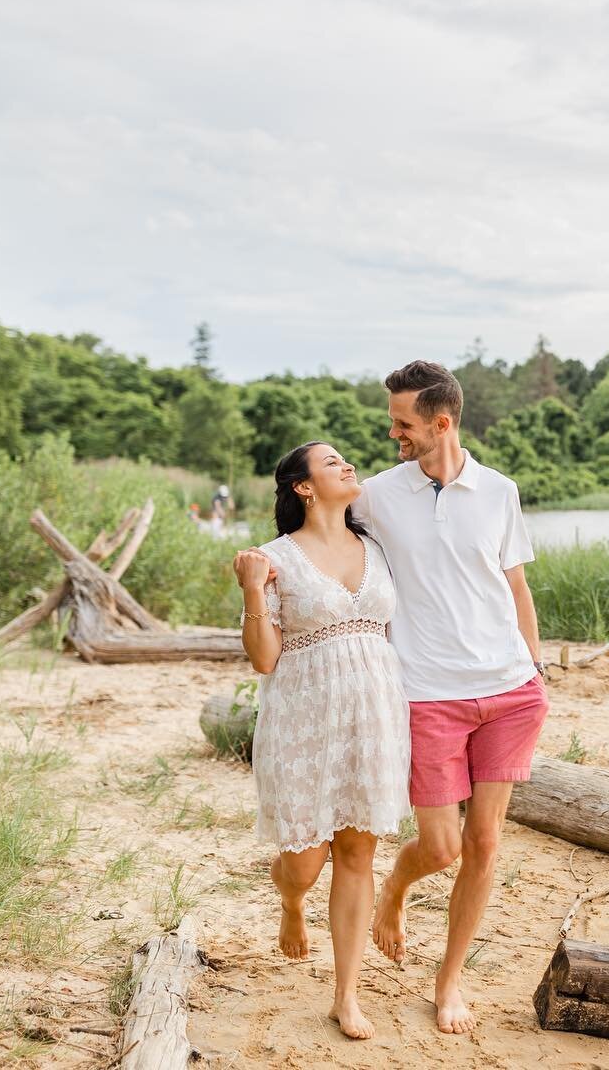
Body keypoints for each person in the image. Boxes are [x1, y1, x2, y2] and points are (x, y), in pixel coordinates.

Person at [354, 360, 548, 1036]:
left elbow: (515, 586)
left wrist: (536, 668)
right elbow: (316, 525)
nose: (392, 433)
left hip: (509, 691)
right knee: (441, 848)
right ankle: (395, 888)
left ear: (442, 423)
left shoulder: (500, 492)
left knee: (486, 841)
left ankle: (449, 980)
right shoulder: (376, 495)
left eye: (402, 423)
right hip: (427, 694)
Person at [232, 442, 410, 1041]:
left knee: (359, 856)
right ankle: (290, 902)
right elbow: (264, 660)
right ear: (302, 487)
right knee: (305, 865)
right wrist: (253, 591)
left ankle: (346, 995)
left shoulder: (378, 549)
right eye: (332, 462)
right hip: (305, 722)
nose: (347, 466)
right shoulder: (274, 558)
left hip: (374, 717)